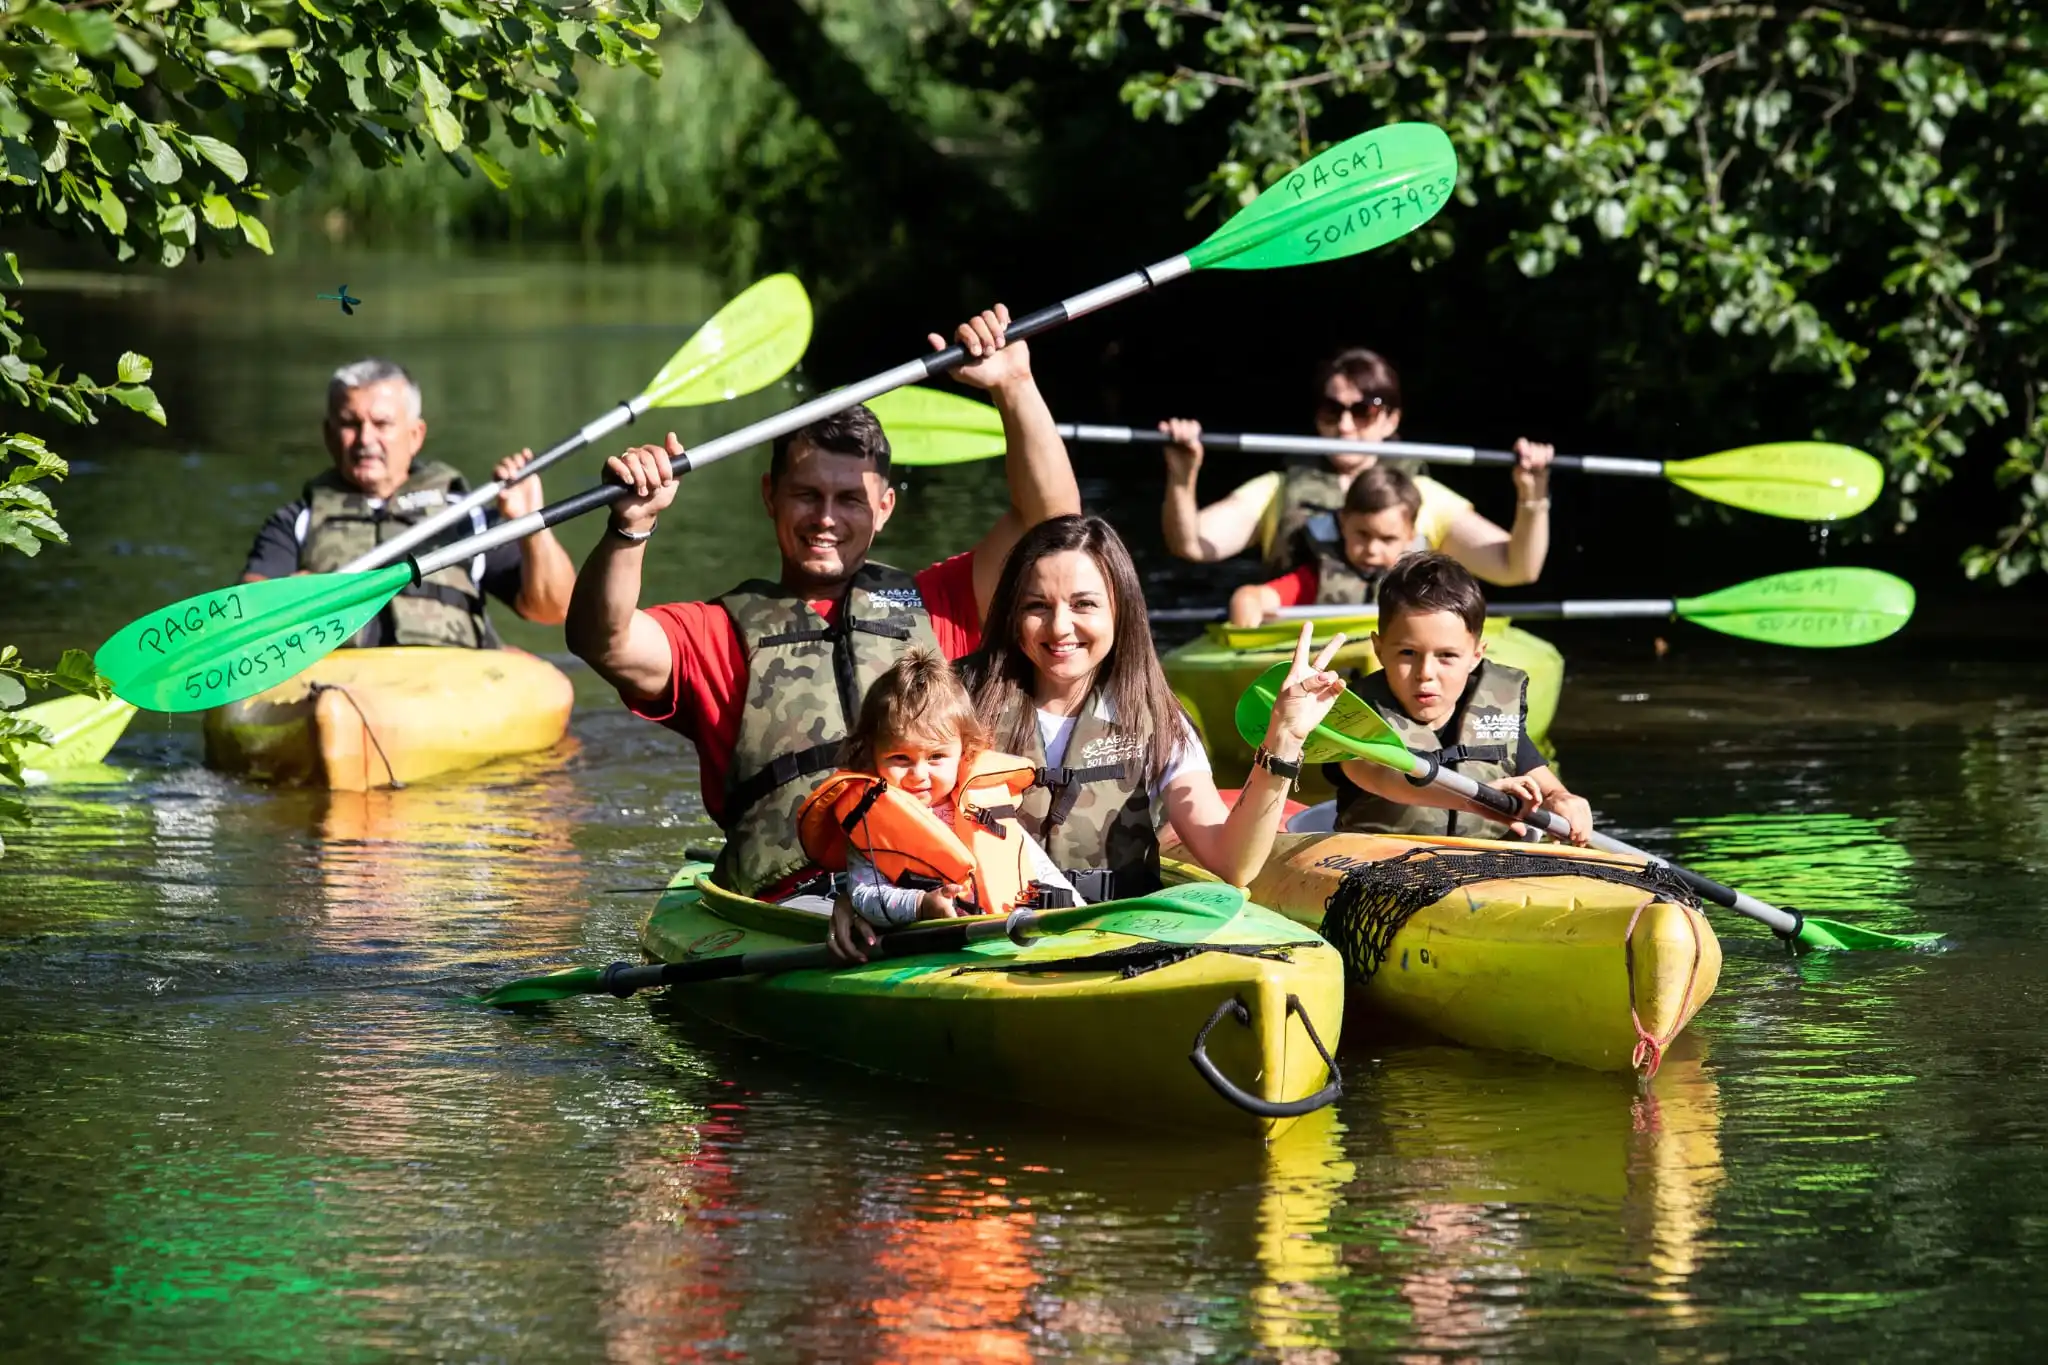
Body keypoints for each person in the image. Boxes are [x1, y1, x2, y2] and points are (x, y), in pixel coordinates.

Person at [566, 305, 1081, 899]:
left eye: (849, 499)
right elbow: (602, 640)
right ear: (770, 497)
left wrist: (1015, 387)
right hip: (795, 906)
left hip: (948, 892)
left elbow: (1054, 531)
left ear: (885, 507)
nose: (826, 518)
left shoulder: (943, 602)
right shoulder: (715, 633)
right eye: (807, 495)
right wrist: (632, 527)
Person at [827, 514, 1349, 962]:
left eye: (1084, 604)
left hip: (1116, 937)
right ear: (1011, 612)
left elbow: (1232, 860)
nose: (1060, 628)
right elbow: (875, 812)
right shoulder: (954, 701)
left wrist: (1283, 740)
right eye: (1037, 606)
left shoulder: (1157, 719)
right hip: (981, 942)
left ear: (1120, 610)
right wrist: (856, 897)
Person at [239, 358, 575, 645]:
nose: (365, 439)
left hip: (448, 688)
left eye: (382, 424)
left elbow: (553, 610)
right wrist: (283, 600)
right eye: (350, 424)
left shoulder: (465, 516)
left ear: (415, 435)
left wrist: (533, 527)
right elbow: (247, 612)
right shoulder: (297, 522)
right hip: (336, 690)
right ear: (329, 434)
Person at [1158, 346, 1557, 586]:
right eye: (1332, 410)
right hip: (1301, 655)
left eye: (1363, 410)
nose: (1344, 425)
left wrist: (1532, 497)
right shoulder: (1277, 489)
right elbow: (1190, 544)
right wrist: (1182, 477)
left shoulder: (1425, 496)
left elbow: (1515, 568)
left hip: (1396, 657)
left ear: (1391, 420)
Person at [798, 649, 1081, 926]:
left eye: (936, 757)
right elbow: (865, 895)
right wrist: (921, 905)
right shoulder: (871, 821)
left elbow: (1039, 868)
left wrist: (1076, 910)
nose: (918, 775)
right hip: (929, 949)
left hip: (1003, 932)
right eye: (900, 758)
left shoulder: (985, 804)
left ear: (964, 752)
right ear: (870, 755)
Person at [1329, 552, 1591, 842]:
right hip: (1379, 865)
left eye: (1446, 656)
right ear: (1379, 649)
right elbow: (1384, 779)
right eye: (1407, 653)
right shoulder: (1353, 716)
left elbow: (1549, 788)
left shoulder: (1494, 712)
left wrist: (1562, 799)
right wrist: (1480, 799)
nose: (1425, 673)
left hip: (1484, 867)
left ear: (1476, 656)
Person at [1226, 464, 1419, 627]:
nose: (1372, 549)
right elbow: (1252, 597)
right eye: (1362, 534)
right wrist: (1247, 604)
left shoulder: (1422, 584)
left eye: (1387, 539)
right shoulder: (1315, 578)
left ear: (1410, 534)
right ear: (1343, 523)